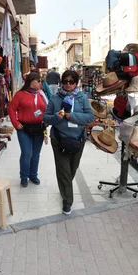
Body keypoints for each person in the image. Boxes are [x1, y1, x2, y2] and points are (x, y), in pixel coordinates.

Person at [43, 71, 94, 214]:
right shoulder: (54, 98)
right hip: (59, 139)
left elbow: (90, 117)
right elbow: (46, 118)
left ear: (76, 83)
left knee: (72, 169)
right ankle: (67, 202)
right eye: (65, 81)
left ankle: (64, 188)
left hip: (78, 139)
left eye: (71, 82)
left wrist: (74, 117)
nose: (68, 84)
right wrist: (57, 117)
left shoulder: (82, 97)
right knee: (64, 171)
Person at [9, 72, 48, 188]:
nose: (40, 83)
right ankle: (24, 176)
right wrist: (16, 123)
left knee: (36, 154)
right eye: (38, 81)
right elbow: (11, 109)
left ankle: (33, 175)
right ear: (31, 82)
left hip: (39, 128)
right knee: (27, 153)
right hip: (24, 128)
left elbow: (46, 109)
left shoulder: (41, 94)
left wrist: (47, 122)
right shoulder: (20, 95)